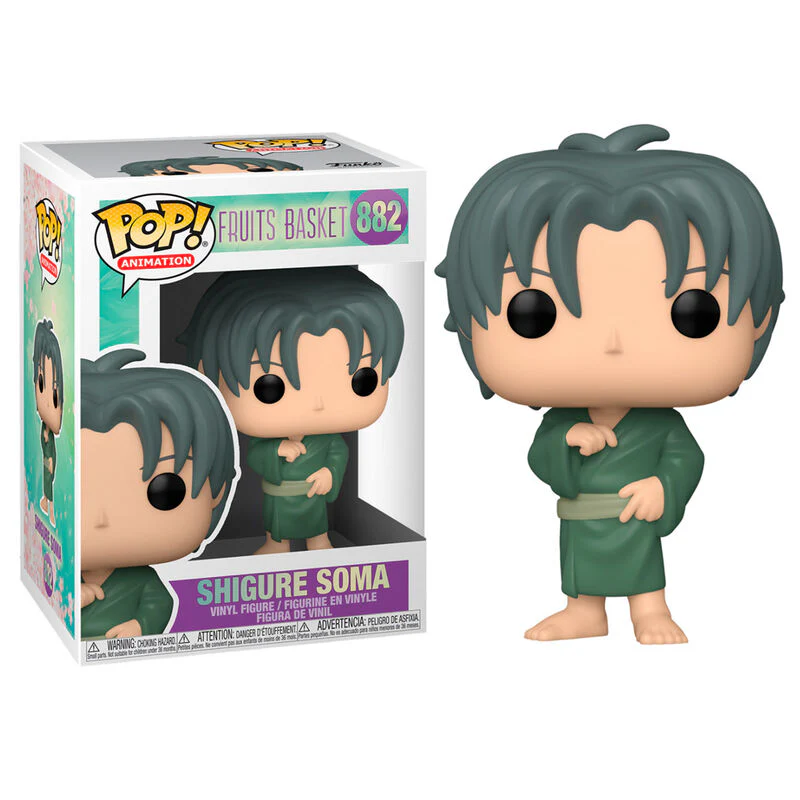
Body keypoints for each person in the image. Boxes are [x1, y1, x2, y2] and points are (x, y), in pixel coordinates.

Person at [436, 125, 783, 644]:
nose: (614, 343)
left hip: (635, 516)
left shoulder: (661, 426)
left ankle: (651, 611)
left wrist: (662, 486)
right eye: (534, 313)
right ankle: (584, 613)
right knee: (581, 572)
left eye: (695, 312)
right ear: (467, 323)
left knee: (644, 571)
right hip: (583, 519)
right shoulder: (564, 420)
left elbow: (686, 459)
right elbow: (541, 458)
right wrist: (567, 440)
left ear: (760, 319)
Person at [179, 266, 404, 554]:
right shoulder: (268, 440)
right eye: (268, 386)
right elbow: (255, 456)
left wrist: (330, 473)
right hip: (278, 496)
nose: (318, 404)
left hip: (312, 495)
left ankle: (320, 542)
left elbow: (338, 453)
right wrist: (277, 450)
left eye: (363, 380)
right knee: (277, 525)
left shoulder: (327, 440)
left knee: (316, 525)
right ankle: (275, 544)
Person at [80, 349, 237, 639]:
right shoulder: (65, 575)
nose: (102, 519)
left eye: (165, 491)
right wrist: (70, 596)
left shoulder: (141, 579)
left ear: (217, 492)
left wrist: (140, 626)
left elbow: (159, 604)